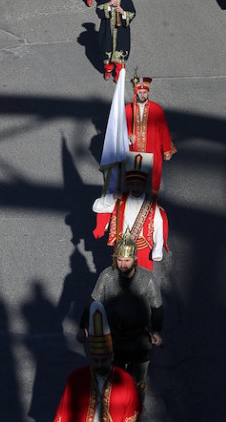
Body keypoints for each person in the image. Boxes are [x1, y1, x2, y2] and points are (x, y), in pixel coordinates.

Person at [77, 231, 163, 402]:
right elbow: (93, 302)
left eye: (127, 260)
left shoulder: (148, 280)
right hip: (115, 339)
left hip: (140, 339)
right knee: (114, 383)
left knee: (138, 384)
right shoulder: (107, 276)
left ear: (135, 260)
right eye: (120, 260)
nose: (123, 264)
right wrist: (83, 326)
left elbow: (157, 308)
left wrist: (157, 331)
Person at [53, 300, 141, 422]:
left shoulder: (127, 384)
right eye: (95, 360)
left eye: (103, 360)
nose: (99, 365)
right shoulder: (75, 380)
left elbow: (131, 416)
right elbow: (64, 416)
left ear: (112, 356)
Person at [93, 152, 168, 271]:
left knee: (143, 281)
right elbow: (97, 207)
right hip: (122, 249)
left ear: (143, 185)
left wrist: (157, 250)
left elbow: (158, 226)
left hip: (142, 250)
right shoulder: (119, 199)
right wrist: (111, 198)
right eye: (132, 184)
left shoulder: (151, 205)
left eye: (138, 185)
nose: (135, 188)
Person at [125, 75, 176, 196]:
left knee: (154, 175)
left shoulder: (157, 109)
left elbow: (163, 130)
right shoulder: (128, 109)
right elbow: (121, 128)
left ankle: (153, 199)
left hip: (152, 148)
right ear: (135, 93)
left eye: (144, 92)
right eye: (139, 92)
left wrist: (167, 150)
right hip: (134, 150)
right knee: (134, 176)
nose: (142, 95)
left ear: (148, 92)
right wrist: (128, 136)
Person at [96, 0, 136, 81]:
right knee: (107, 54)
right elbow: (98, 10)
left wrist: (123, 12)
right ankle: (108, 70)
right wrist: (108, 5)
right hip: (107, 32)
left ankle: (119, 76)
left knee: (120, 57)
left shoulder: (127, 0)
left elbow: (132, 13)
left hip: (121, 34)